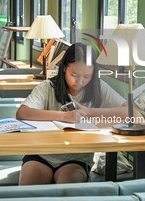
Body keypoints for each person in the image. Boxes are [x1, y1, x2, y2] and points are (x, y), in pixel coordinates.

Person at [16, 42, 128, 185]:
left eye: (87, 76)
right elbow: (22, 112)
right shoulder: (48, 87)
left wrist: (88, 112)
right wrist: (64, 116)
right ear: (64, 68)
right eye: (74, 75)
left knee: (68, 188)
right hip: (41, 154)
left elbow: (129, 112)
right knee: (30, 190)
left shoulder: (98, 88)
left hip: (76, 157)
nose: (80, 82)